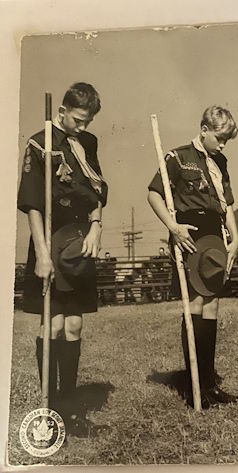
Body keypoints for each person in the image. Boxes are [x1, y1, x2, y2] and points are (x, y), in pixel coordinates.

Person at [17, 82, 107, 428]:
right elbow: (33, 205)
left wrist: (96, 227)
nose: (83, 127)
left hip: (79, 239)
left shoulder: (88, 143)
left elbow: (97, 189)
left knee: (74, 323)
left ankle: (69, 408)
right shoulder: (39, 144)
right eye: (78, 120)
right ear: (62, 112)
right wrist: (42, 254)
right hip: (50, 238)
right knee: (53, 323)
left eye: (88, 121)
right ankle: (49, 409)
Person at [147, 105, 238, 408]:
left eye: (226, 141)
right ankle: (194, 385)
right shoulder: (177, 157)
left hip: (215, 233)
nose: (223, 145)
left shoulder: (220, 161)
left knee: (212, 304)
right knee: (196, 303)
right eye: (219, 138)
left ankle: (209, 383)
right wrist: (173, 228)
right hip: (190, 233)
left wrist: (236, 237)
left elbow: (226, 203)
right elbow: (154, 194)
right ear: (204, 130)